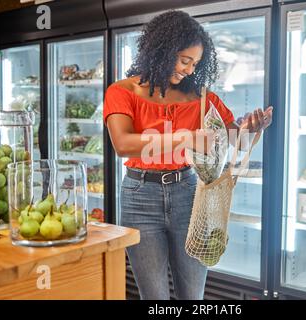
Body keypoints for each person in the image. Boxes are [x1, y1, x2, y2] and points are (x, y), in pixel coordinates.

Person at [104, 10, 273, 300]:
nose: (190, 70)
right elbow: (123, 144)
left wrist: (251, 129)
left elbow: (234, 141)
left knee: (192, 295)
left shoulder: (202, 98)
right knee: (153, 296)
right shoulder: (122, 91)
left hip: (189, 195)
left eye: (195, 63)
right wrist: (186, 137)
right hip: (139, 195)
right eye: (185, 60)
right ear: (162, 50)